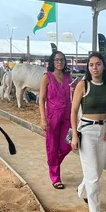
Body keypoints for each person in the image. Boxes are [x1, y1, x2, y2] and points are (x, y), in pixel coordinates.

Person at [70, 52, 106, 212]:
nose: (94, 68)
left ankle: (82, 191)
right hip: (86, 130)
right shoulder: (83, 85)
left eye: (98, 64)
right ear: (88, 67)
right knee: (93, 175)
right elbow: (74, 111)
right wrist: (75, 134)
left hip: (102, 129)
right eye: (91, 65)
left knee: (97, 170)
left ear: (103, 66)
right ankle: (95, 211)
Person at [39, 51, 73, 190]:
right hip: (52, 117)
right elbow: (41, 99)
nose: (60, 62)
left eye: (62, 60)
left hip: (67, 116)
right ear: (52, 61)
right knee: (52, 147)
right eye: (57, 60)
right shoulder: (47, 77)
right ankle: (55, 177)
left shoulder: (68, 77)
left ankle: (53, 163)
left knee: (68, 144)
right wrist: (43, 118)